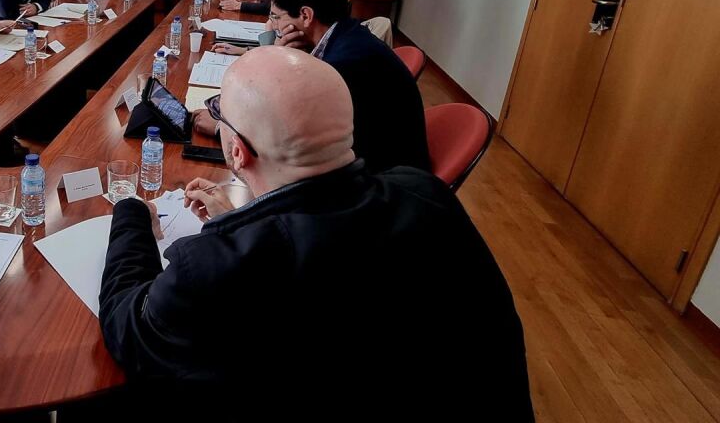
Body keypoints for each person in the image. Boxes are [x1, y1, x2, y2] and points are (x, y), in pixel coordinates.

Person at [99, 46, 531, 421]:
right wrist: (241, 220)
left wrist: (131, 213)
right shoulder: (425, 193)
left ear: (236, 150)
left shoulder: (217, 269)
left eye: (218, 112)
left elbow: (126, 325)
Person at [206, 0, 428, 172]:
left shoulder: (344, 65)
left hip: (376, 179)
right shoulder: (347, 35)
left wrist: (221, 129)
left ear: (306, 15)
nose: (273, 26)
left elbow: (292, 139)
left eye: (276, 17)